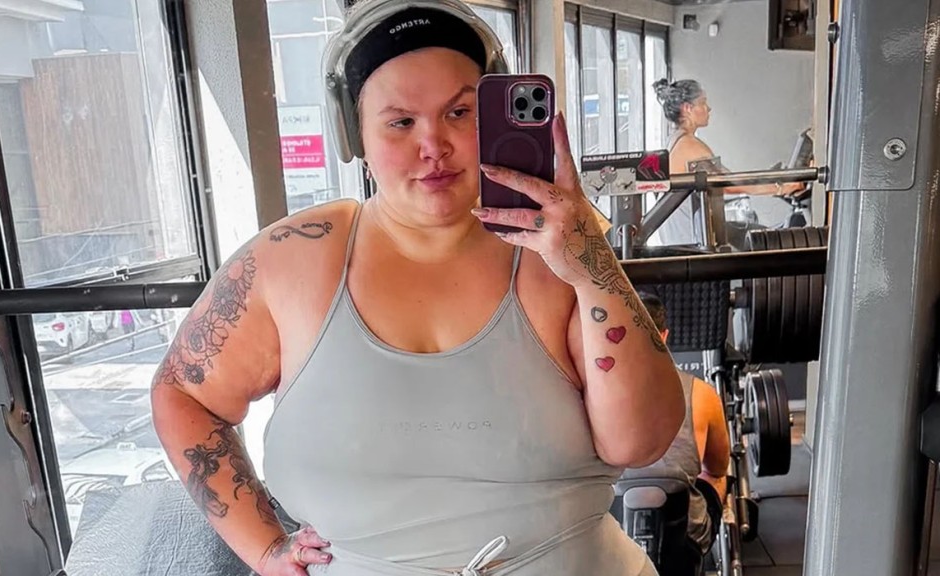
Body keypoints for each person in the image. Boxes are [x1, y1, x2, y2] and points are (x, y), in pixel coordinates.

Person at [150, 1, 684, 574]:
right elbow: (183, 393)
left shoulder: (560, 250)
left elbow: (639, 442)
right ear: (354, 133)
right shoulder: (292, 259)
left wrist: (592, 268)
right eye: (401, 122)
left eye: (460, 112)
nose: (434, 145)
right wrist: (264, 549)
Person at [652, 79, 806, 246]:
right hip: (693, 244)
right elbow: (729, 183)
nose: (708, 108)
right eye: (702, 103)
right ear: (687, 108)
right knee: (769, 242)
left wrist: (773, 181)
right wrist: (781, 188)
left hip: (686, 238)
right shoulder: (689, 146)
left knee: (755, 233)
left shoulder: (674, 141)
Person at [637, 292, 730, 565]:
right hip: (681, 545)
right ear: (664, 336)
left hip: (611, 537)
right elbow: (717, 468)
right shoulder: (702, 394)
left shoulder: (588, 397)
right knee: (716, 477)